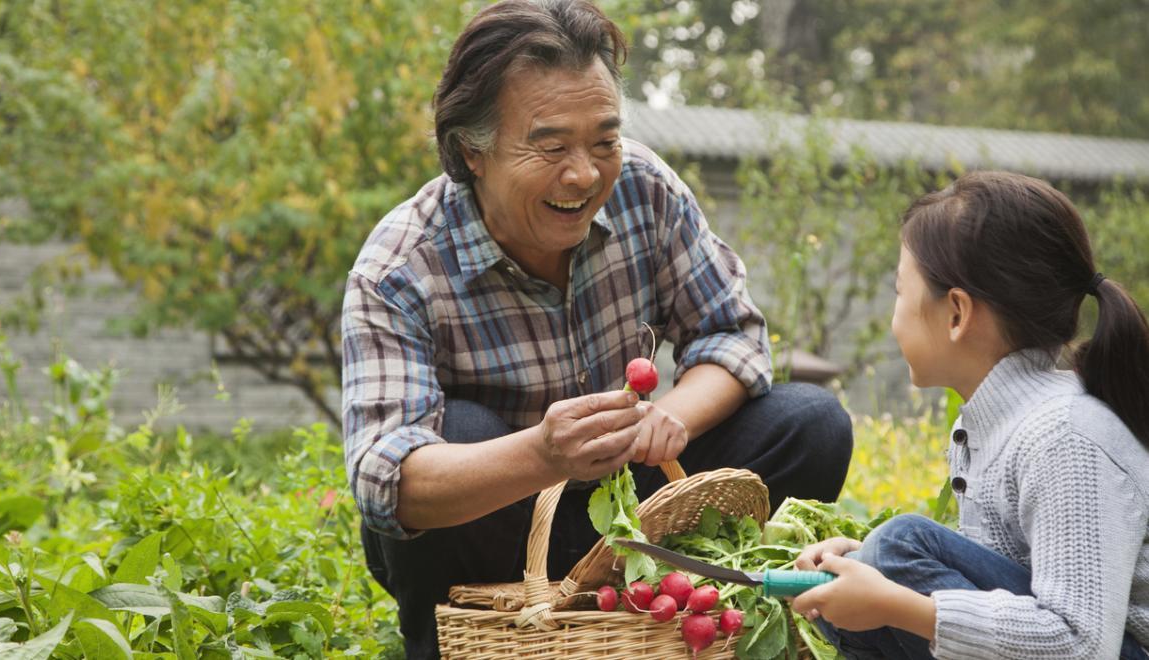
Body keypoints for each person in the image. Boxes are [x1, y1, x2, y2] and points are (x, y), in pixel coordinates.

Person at [341, 1, 852, 656]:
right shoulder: (398, 270)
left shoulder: (643, 189)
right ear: (473, 152)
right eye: (550, 146)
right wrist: (541, 454)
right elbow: (387, 480)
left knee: (810, 423)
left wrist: (670, 417)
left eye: (604, 140)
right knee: (456, 430)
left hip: (637, 511)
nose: (584, 174)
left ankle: (690, 617)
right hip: (500, 525)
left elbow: (733, 335)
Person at [789, 171, 1149, 659]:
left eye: (900, 291)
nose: (896, 313)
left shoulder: (1066, 437)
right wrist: (865, 573)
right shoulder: (991, 424)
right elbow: (997, 574)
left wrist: (899, 604)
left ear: (956, 313)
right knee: (861, 586)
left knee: (898, 546)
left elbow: (1082, 645)